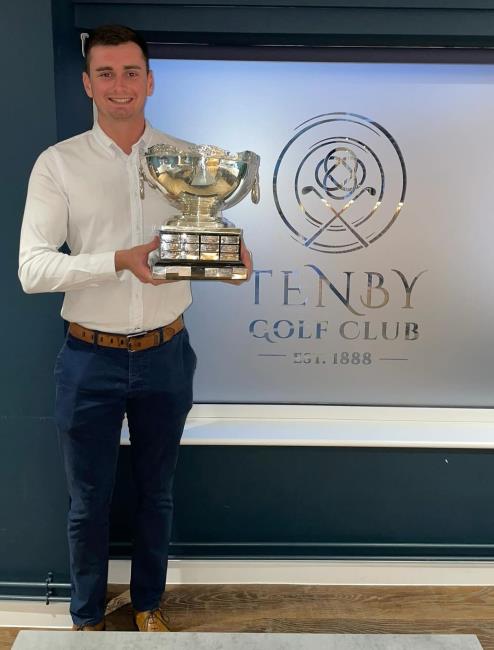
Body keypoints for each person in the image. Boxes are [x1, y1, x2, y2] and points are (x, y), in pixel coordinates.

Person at [18, 24, 252, 632]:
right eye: (105, 74)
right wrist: (119, 261)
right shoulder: (58, 165)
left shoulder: (192, 163)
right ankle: (87, 617)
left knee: (158, 494)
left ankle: (149, 605)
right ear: (87, 84)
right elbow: (33, 269)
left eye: (129, 73)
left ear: (149, 81)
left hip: (167, 354)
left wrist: (230, 263)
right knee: (88, 503)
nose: (119, 86)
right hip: (88, 358)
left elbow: (202, 254)